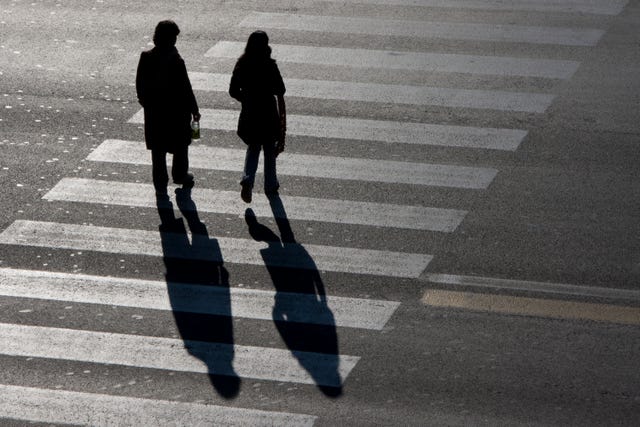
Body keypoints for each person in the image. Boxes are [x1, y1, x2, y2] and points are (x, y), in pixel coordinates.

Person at [136, 20, 201, 197]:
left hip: (155, 112)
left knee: (158, 149)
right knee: (180, 145)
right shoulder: (175, 59)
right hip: (176, 112)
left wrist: (146, 104)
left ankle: (160, 181)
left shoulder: (147, 57)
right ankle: (180, 174)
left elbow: (140, 86)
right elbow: (186, 88)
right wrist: (194, 109)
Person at [229, 30, 286, 203]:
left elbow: (233, 90)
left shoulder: (242, 64)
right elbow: (280, 91)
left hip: (250, 112)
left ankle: (248, 180)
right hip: (268, 112)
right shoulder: (270, 65)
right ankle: (270, 184)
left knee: (253, 147)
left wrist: (245, 99)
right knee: (269, 149)